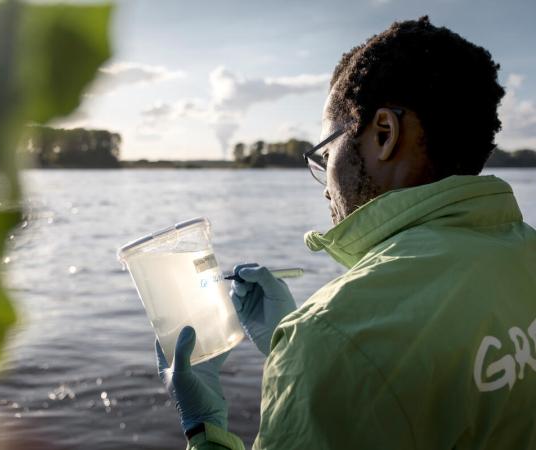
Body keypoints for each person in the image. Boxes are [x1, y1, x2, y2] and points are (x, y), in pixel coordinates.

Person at [154, 16, 536, 449]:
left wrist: (205, 427)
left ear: (385, 135)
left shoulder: (331, 337)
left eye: (326, 153)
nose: (325, 187)